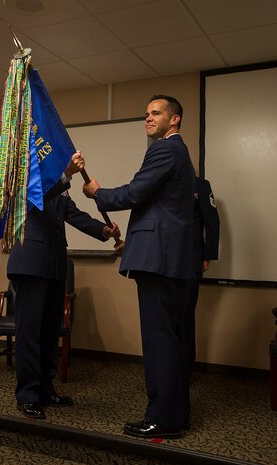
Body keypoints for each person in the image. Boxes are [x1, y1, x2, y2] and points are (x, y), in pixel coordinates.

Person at [83, 95, 195, 439]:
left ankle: (163, 419)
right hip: (168, 259)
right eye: (146, 113)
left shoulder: (165, 149)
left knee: (160, 339)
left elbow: (133, 194)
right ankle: (176, 413)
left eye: (156, 113)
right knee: (171, 339)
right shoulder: (179, 152)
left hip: (158, 259)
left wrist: (97, 192)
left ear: (174, 120)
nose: (148, 118)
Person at [7, 151, 120, 420]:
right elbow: (37, 200)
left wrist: (101, 232)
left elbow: (73, 214)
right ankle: (27, 395)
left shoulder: (58, 189)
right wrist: (67, 174)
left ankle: (45, 390)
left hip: (55, 266)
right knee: (30, 334)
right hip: (31, 265)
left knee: (48, 333)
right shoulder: (25, 179)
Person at [184, 177, 220, 378]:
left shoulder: (200, 185)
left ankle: (186, 370)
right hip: (164, 261)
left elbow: (212, 221)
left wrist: (207, 255)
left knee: (186, 316)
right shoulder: (160, 182)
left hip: (191, 259)